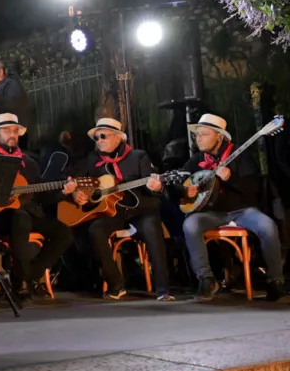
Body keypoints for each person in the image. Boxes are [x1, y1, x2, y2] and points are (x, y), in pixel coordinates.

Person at [178, 114, 286, 301]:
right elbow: (180, 182)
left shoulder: (241, 156)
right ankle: (206, 279)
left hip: (242, 211)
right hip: (212, 214)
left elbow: (254, 191)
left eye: (204, 134)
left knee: (267, 226)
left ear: (219, 136)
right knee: (190, 224)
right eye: (197, 135)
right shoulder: (196, 160)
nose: (198, 138)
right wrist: (186, 191)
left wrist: (231, 178)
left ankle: (275, 281)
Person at [0, 113, 77, 299]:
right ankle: (20, 282)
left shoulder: (28, 162)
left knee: (64, 233)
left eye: (15, 130)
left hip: (27, 213)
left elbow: (42, 196)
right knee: (20, 218)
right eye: (7, 131)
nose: (12, 134)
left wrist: (64, 192)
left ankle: (28, 276)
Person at [72, 118, 174, 301]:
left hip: (140, 209)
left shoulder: (138, 156)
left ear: (118, 138)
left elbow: (157, 190)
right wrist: (77, 194)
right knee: (95, 230)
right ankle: (116, 285)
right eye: (96, 137)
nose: (99, 140)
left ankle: (163, 290)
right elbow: (78, 182)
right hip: (113, 211)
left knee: (152, 229)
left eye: (103, 136)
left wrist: (157, 187)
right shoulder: (92, 159)